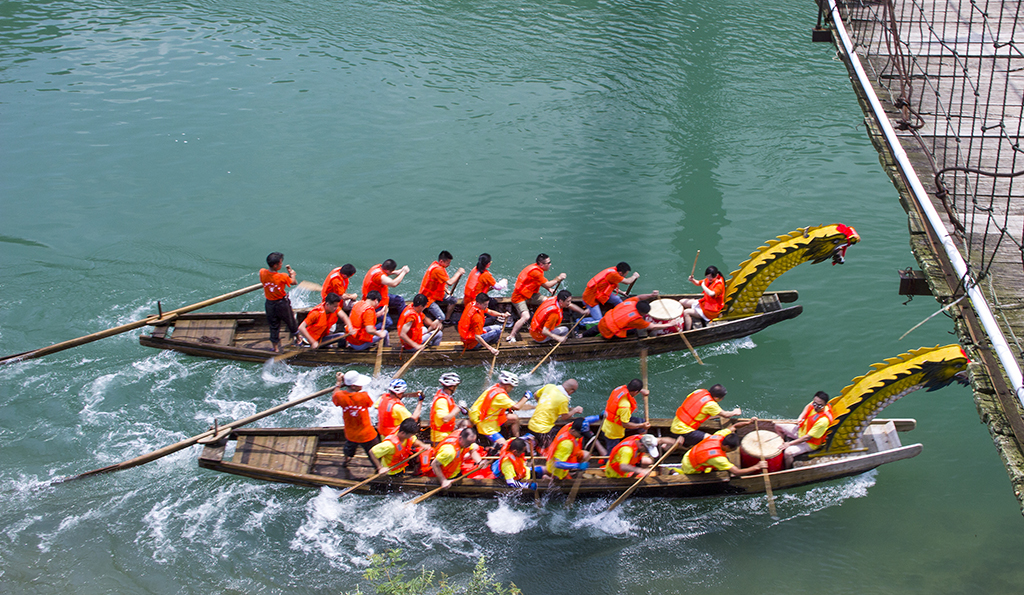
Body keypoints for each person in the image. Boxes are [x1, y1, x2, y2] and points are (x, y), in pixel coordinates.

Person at [507, 254, 567, 343]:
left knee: (548, 302)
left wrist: (549, 289)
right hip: (519, 297)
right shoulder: (536, 272)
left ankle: (545, 323)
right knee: (525, 317)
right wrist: (558, 278)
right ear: (541, 264)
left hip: (531, 294)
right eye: (548, 263)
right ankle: (511, 335)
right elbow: (547, 284)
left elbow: (541, 282)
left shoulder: (538, 270)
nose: (550, 264)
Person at [331, 370, 380, 467]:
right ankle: (379, 468)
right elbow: (370, 404)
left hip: (350, 433)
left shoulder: (340, 396)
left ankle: (346, 461)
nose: (361, 386)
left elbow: (335, 395)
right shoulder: (363, 396)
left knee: (349, 448)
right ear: (353, 386)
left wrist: (339, 382)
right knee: (375, 451)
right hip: (366, 434)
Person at [468, 370, 529, 447]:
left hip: (492, 417)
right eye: (512, 387)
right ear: (507, 386)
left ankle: (517, 439)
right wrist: (526, 397)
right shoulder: (500, 396)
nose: (512, 389)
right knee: (504, 445)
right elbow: (517, 407)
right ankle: (493, 450)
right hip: (487, 426)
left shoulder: (494, 387)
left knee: (514, 418)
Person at [777, 391, 835, 467]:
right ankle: (780, 446)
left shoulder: (823, 421)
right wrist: (800, 418)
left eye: (820, 406)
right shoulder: (816, 403)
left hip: (810, 443)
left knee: (788, 453)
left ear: (825, 405)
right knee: (778, 426)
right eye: (815, 403)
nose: (816, 407)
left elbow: (807, 437)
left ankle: (787, 468)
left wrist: (789, 444)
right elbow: (808, 406)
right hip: (802, 431)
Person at [584, 291, 677, 339]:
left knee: (597, 327)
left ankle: (582, 336)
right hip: (610, 332)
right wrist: (670, 324)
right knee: (634, 330)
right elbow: (652, 326)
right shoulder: (637, 320)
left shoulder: (630, 302)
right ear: (643, 313)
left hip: (603, 322)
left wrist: (651, 295)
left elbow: (639, 297)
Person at [669, 384, 740, 446]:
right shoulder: (711, 404)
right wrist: (735, 412)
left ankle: (667, 445)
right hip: (683, 430)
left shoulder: (699, 391)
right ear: (716, 398)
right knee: (711, 439)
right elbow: (726, 415)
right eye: (722, 398)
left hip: (676, 424)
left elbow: (696, 409)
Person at [674, 429, 765, 477]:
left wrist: (748, 423)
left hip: (688, 455)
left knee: (722, 463)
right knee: (721, 470)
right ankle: (676, 474)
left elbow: (732, 427)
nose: (732, 451)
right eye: (732, 450)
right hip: (690, 468)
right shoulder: (718, 459)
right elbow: (737, 472)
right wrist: (757, 466)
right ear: (727, 447)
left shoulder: (718, 435)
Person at [525, 379, 584, 451]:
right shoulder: (563, 399)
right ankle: (541, 447)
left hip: (531, 425)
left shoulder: (549, 386)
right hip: (543, 431)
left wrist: (541, 403)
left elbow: (535, 394)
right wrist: (575, 410)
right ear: (571, 391)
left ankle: (536, 443)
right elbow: (564, 417)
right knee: (565, 434)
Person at [579, 262, 640, 328]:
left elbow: (610, 286)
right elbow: (628, 281)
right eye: (625, 274)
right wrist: (634, 276)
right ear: (620, 273)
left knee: (617, 300)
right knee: (598, 321)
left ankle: (622, 312)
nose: (625, 276)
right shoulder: (614, 275)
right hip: (591, 298)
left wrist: (622, 292)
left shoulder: (614, 270)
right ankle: (579, 322)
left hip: (600, 293)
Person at [260, 252, 298, 353]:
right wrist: (293, 275)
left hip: (269, 304)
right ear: (275, 265)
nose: (281, 264)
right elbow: (294, 282)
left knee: (273, 325)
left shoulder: (262, 272)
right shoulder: (283, 276)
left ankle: (275, 348)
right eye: (280, 263)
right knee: (290, 320)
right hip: (281, 304)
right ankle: (298, 339)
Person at [600, 379, 651, 451]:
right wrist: (642, 425)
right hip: (613, 432)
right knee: (612, 453)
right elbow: (625, 424)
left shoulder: (619, 388)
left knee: (641, 421)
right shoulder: (625, 406)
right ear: (636, 392)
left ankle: (642, 442)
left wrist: (642, 391)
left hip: (609, 422)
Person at [419, 250, 466, 324]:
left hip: (436, 294)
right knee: (441, 317)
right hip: (428, 298)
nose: (449, 264)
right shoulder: (437, 270)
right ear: (441, 261)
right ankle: (430, 324)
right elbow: (450, 282)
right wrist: (458, 272)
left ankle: (447, 320)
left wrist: (447, 291)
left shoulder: (438, 266)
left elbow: (438, 282)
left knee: (453, 301)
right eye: (448, 263)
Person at [361, 259, 410, 328]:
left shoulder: (377, 267)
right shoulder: (378, 276)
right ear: (387, 270)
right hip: (375, 303)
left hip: (382, 297)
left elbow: (385, 273)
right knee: (388, 322)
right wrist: (403, 273)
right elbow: (393, 283)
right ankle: (370, 331)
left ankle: (405, 320)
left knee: (399, 300)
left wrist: (397, 272)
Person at [680, 265, 727, 330]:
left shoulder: (719, 285)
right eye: (707, 277)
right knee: (681, 301)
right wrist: (692, 280)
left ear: (716, 276)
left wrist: (703, 286)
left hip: (711, 311)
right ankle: (682, 320)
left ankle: (687, 331)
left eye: (710, 277)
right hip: (704, 303)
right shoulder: (709, 279)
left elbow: (711, 293)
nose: (709, 279)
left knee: (686, 312)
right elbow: (698, 283)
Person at [430, 372, 467, 443]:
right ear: (451, 387)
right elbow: (445, 419)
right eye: (456, 386)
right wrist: (458, 408)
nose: (456, 388)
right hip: (441, 437)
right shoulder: (441, 401)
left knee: (466, 423)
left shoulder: (445, 395)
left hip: (447, 432)